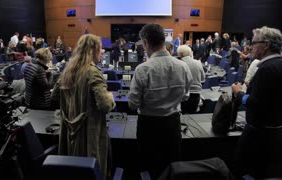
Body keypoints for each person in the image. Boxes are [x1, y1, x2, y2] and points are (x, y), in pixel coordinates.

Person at [128, 23, 192, 179]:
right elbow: (185, 97)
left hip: (148, 126)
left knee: (149, 168)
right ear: (164, 40)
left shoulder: (143, 69)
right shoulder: (183, 66)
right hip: (173, 125)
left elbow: (132, 104)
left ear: (146, 43)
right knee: (171, 167)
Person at [53, 34, 115, 178]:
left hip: (70, 133)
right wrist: (110, 97)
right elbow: (105, 105)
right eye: (100, 48)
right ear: (92, 50)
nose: (102, 52)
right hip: (89, 134)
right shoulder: (93, 72)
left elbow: (54, 96)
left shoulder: (68, 70)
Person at [232, 26, 282, 179]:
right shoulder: (278, 64)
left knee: (242, 170)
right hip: (275, 131)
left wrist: (238, 93)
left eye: (253, 43)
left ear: (266, 44)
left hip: (258, 134)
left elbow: (254, 103)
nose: (250, 47)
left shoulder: (266, 69)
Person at [177, 45, 205, 114]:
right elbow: (203, 79)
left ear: (180, 54)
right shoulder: (198, 63)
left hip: (183, 96)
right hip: (196, 96)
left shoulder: (178, 64)